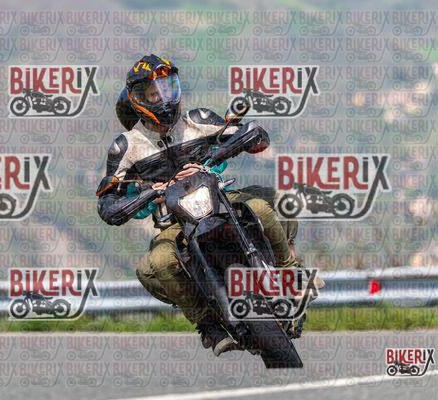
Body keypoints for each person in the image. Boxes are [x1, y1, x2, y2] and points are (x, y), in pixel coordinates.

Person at [96, 54, 300, 356]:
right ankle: (208, 324)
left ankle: (290, 275)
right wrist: (147, 194)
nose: (163, 98)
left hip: (221, 200)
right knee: (160, 262)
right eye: (153, 94)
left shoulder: (198, 119)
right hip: (174, 223)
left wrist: (236, 143)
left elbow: (250, 135)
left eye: (167, 88)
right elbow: (108, 201)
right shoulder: (126, 146)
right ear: (138, 100)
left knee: (261, 208)